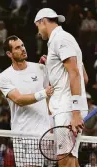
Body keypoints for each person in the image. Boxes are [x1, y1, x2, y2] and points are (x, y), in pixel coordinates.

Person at [34, 8, 88, 167]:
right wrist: (51, 65)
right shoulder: (61, 40)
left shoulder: (60, 39)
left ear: (42, 22)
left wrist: (76, 112)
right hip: (66, 109)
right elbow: (84, 77)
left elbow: (75, 74)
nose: (38, 32)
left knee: (65, 162)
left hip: (67, 109)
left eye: (37, 26)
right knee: (71, 160)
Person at [0, 35, 54, 167]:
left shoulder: (40, 68)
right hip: (22, 134)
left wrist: (52, 121)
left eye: (22, 45)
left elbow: (48, 99)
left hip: (43, 132)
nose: (23, 49)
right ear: (9, 54)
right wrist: (44, 93)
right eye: (17, 47)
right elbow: (19, 99)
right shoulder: (3, 77)